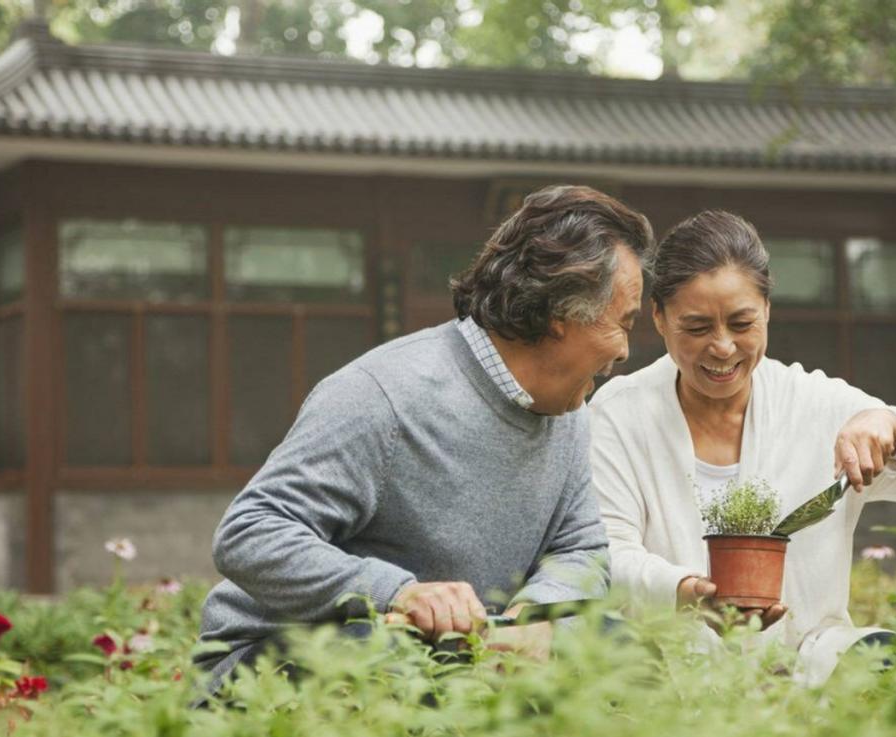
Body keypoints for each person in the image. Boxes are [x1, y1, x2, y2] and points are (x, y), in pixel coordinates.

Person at [196, 185, 654, 690]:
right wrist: (399, 593)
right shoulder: (384, 395)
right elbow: (250, 533)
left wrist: (538, 616)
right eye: (623, 323)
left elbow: (581, 547)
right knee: (407, 660)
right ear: (560, 315)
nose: (625, 351)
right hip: (281, 657)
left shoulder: (568, 413)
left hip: (461, 653)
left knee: (627, 654)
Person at [589, 210, 896, 686]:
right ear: (658, 318)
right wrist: (687, 592)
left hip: (809, 666)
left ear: (766, 310)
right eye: (697, 328)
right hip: (670, 666)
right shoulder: (621, 413)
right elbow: (605, 555)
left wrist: (893, 427)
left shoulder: (818, 407)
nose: (723, 347)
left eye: (742, 323)